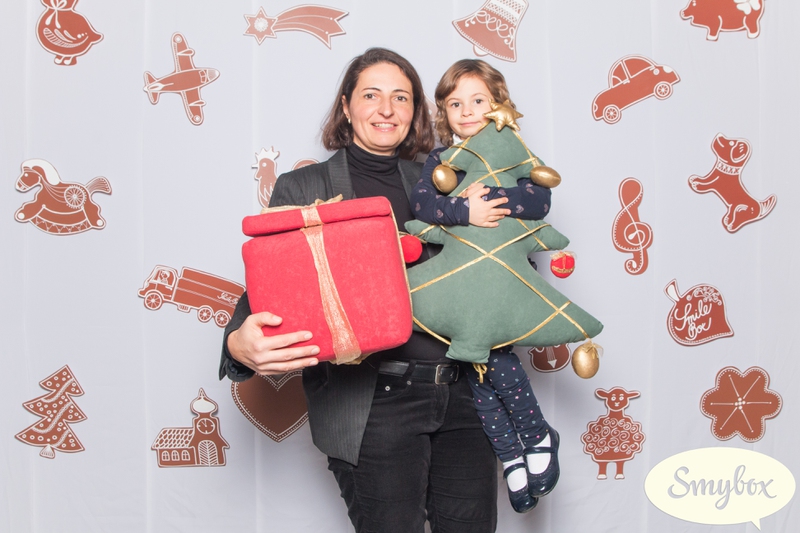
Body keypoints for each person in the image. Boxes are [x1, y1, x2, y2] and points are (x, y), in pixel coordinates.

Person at [219, 48, 498, 533]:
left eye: (401, 97)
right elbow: (272, 288)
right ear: (346, 106)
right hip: (374, 402)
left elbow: (492, 268)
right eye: (371, 95)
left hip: (464, 397)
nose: (386, 109)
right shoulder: (303, 187)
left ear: (415, 111)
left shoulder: (445, 179)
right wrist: (237, 345)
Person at [409, 59, 560, 514]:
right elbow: (422, 203)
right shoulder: (441, 160)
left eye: (478, 100)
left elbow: (539, 198)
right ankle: (511, 453)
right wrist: (462, 210)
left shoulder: (515, 150)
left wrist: (492, 199)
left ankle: (534, 435)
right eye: (455, 104)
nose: (467, 111)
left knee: (494, 356)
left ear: (498, 104)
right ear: (444, 112)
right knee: (475, 365)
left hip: (502, 276)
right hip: (460, 278)